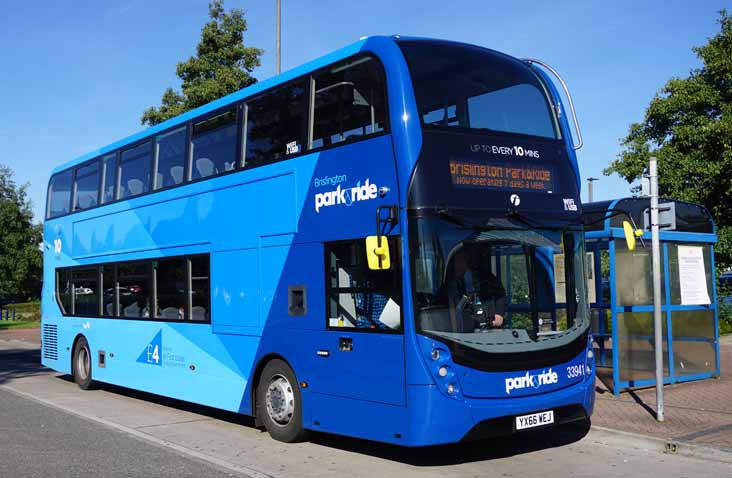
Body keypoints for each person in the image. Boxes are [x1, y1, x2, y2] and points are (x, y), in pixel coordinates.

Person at [446, 248, 506, 331]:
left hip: (484, 327)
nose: (461, 264)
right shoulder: (446, 284)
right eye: (458, 261)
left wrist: (499, 313)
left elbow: (499, 292)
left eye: (463, 260)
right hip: (459, 331)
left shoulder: (480, 276)